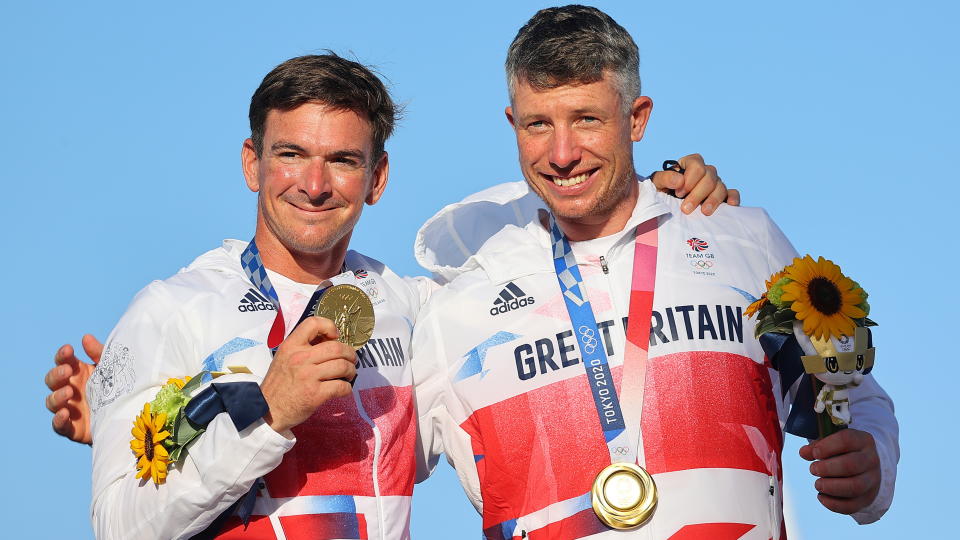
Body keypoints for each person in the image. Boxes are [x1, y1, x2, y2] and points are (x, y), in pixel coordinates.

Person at [44, 52, 731, 538]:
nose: (314, 184)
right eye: (290, 154)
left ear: (377, 178)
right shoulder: (173, 309)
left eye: (343, 160)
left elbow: (566, 282)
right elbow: (121, 528)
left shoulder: (418, 311)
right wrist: (267, 414)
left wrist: (660, 193)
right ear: (253, 163)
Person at [410, 5, 898, 539]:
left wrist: (871, 461)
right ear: (512, 123)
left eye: (587, 119)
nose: (563, 153)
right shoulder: (458, 300)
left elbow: (851, 394)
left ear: (637, 118)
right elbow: (367, 464)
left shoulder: (739, 238)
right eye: (538, 124)